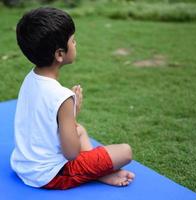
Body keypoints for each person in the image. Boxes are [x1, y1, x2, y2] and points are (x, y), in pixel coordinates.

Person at [10, 7, 135, 190]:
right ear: (60, 54)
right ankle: (98, 173)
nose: (76, 44)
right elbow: (71, 153)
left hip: (24, 164)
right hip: (51, 175)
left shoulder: (30, 79)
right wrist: (72, 114)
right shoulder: (63, 97)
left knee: (81, 130)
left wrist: (69, 119)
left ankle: (99, 172)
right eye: (73, 41)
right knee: (125, 152)